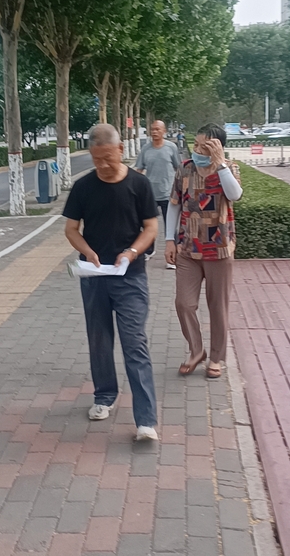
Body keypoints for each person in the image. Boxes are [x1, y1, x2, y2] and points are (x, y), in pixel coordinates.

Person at [63, 123, 160, 442]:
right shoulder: (83, 187)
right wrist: (87, 251)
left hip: (130, 276)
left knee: (135, 343)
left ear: (120, 150)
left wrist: (131, 252)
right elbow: (71, 229)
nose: (103, 165)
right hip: (94, 278)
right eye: (96, 159)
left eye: (108, 158)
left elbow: (150, 228)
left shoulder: (139, 184)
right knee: (99, 340)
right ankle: (104, 395)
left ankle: (146, 420)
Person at [165, 122, 243, 380]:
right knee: (183, 303)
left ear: (217, 147)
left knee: (218, 307)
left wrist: (220, 164)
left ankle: (216, 358)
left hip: (218, 249)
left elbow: (235, 195)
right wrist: (169, 239)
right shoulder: (185, 169)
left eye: (204, 146)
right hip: (188, 248)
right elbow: (174, 204)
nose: (197, 150)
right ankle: (196, 350)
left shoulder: (229, 168)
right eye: (196, 145)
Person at [135, 120, 181, 268]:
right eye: (152, 129)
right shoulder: (146, 149)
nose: (154, 132)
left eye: (157, 129)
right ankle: (149, 251)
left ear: (164, 131)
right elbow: (139, 169)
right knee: (147, 225)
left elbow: (179, 168)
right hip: (149, 195)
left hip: (168, 194)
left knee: (170, 227)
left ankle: (171, 257)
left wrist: (182, 188)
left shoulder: (171, 147)